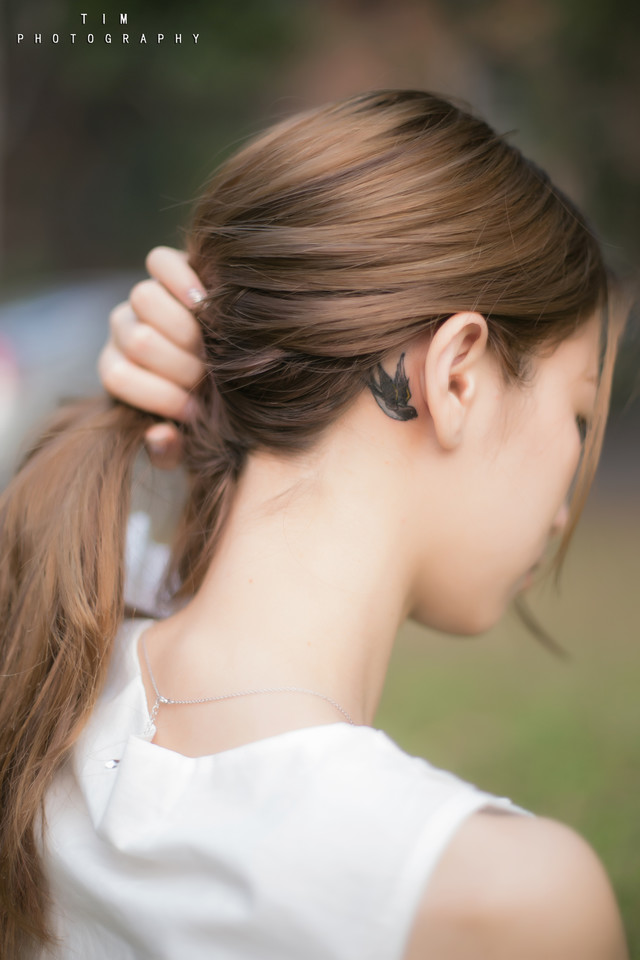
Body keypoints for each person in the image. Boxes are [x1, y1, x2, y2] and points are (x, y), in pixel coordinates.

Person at [0, 90, 630, 959]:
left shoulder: (48, 680)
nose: (569, 497)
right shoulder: (500, 903)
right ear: (457, 378)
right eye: (581, 415)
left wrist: (178, 447)